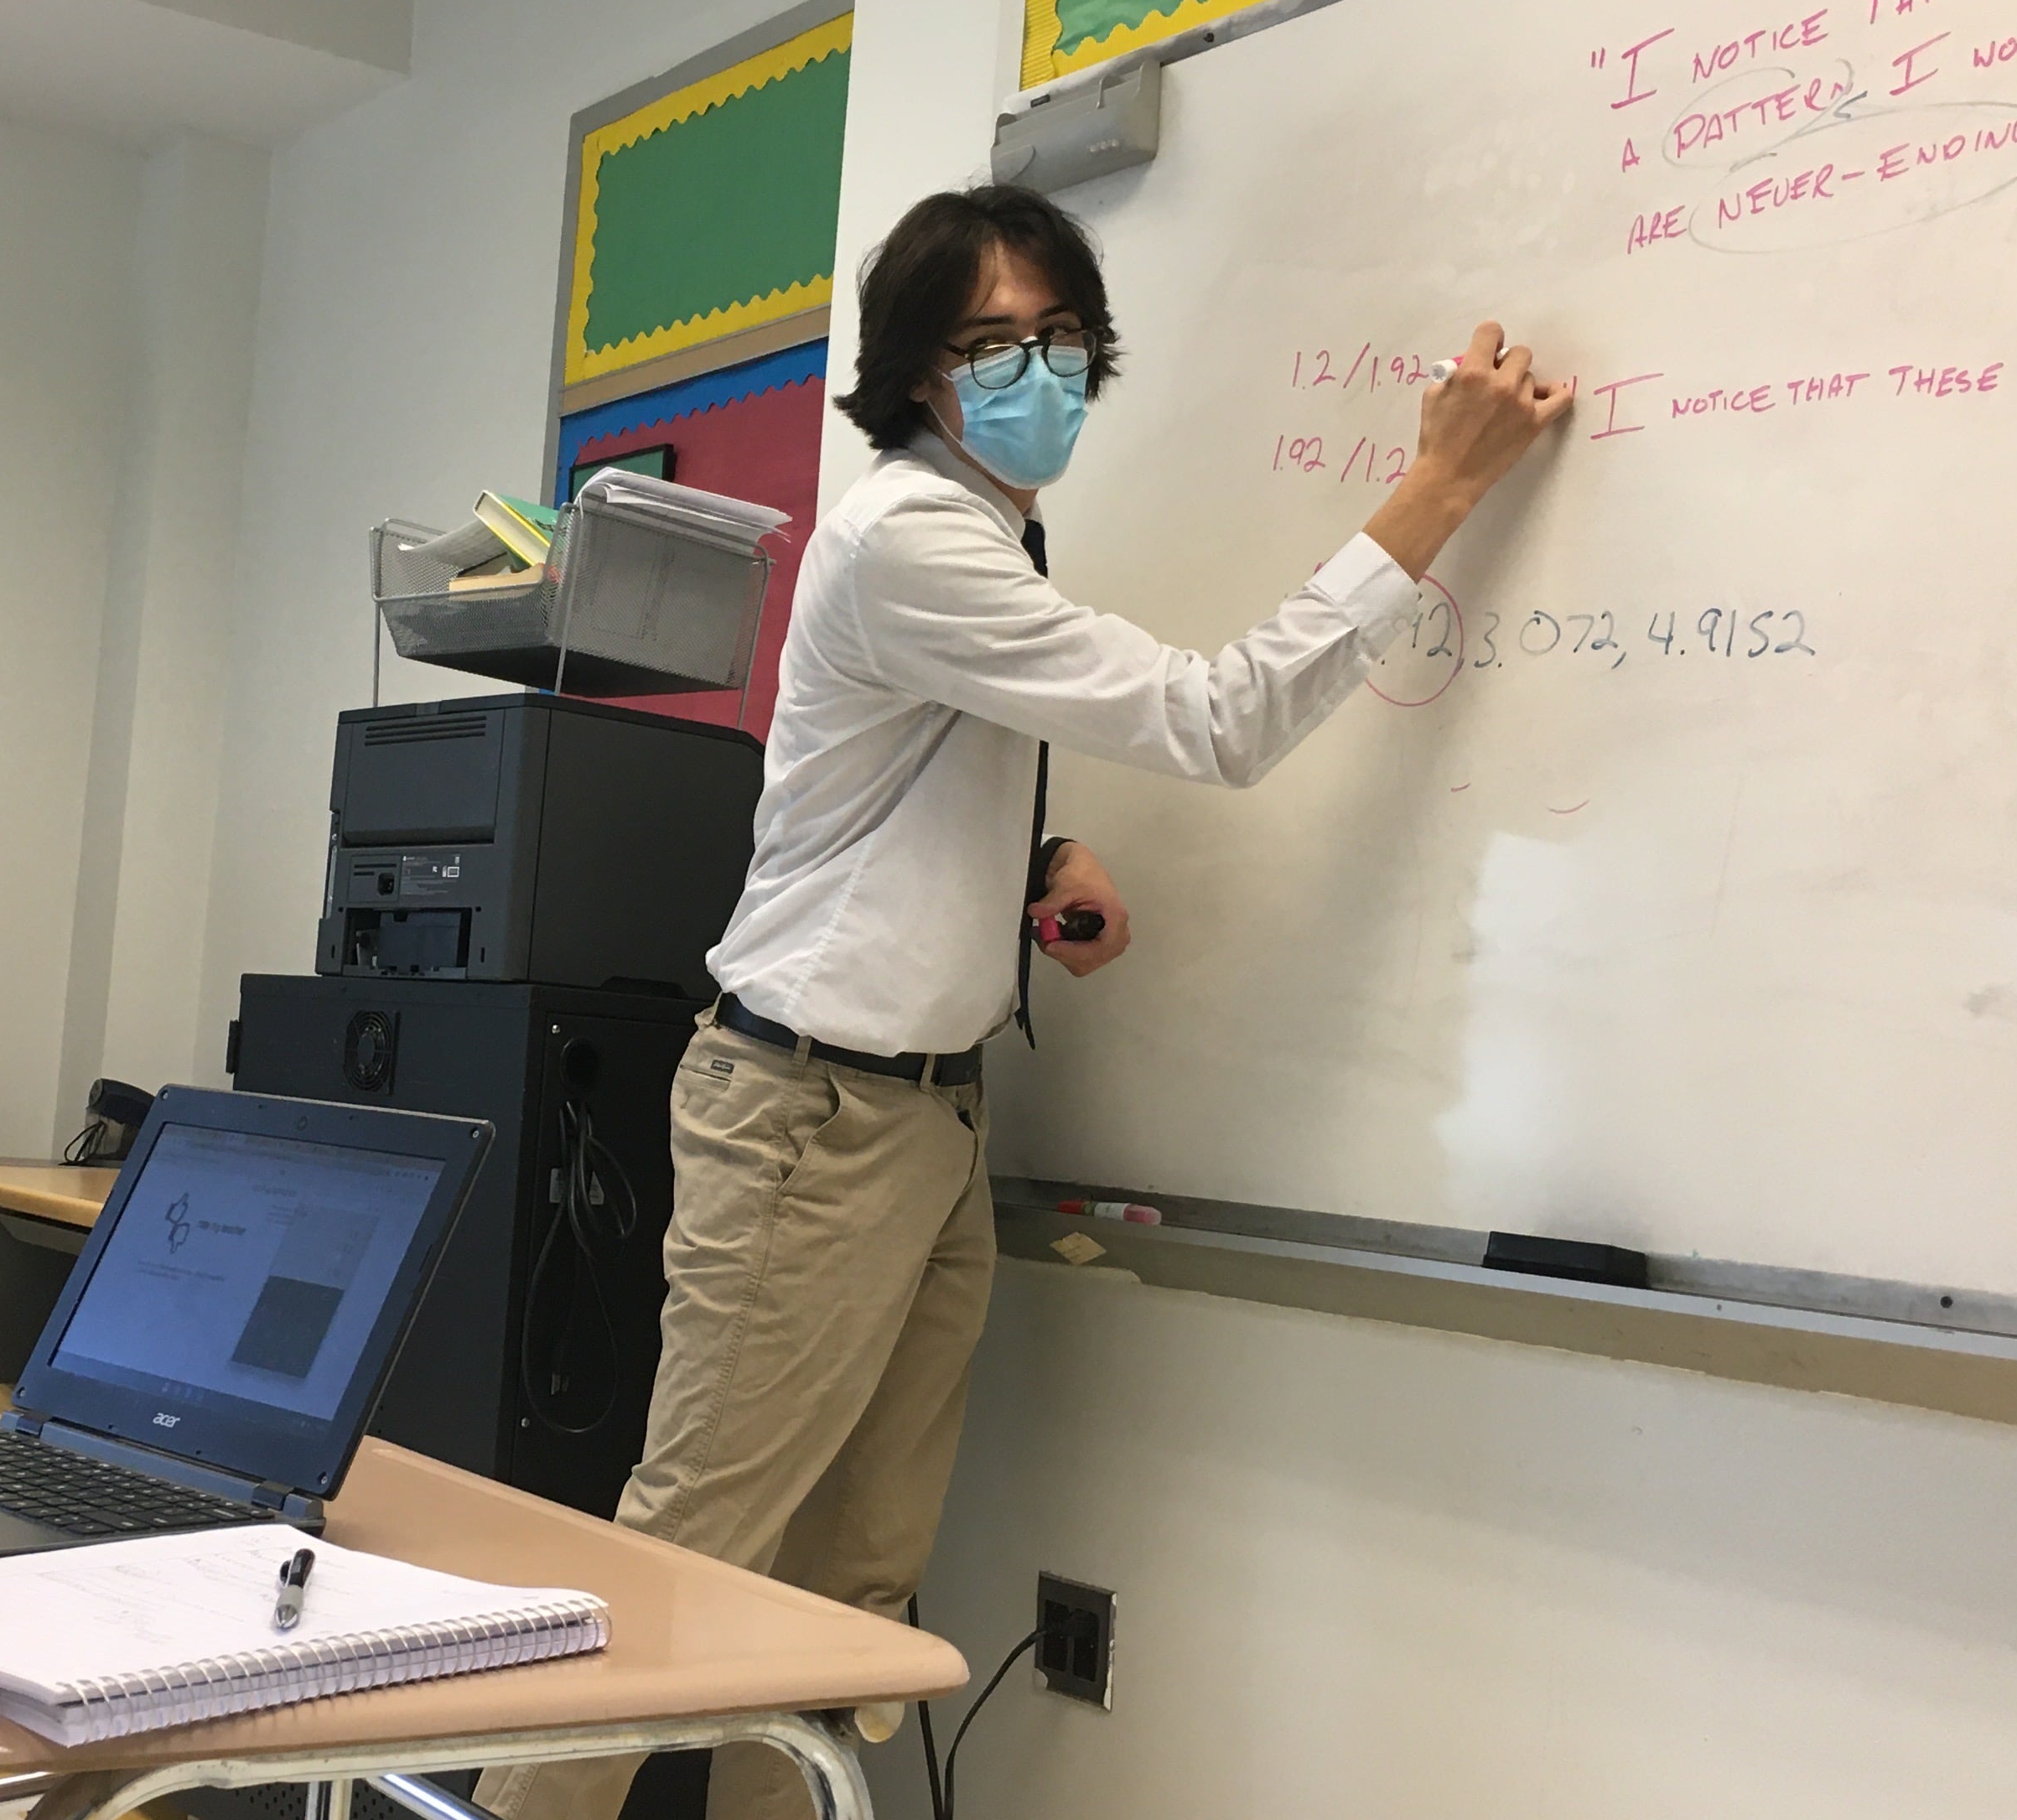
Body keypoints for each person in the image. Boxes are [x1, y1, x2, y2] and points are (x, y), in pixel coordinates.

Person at [482, 184, 1568, 1820]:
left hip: (917, 1117)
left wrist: (1033, 858)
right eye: (994, 344)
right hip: (812, 1121)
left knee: (851, 1601)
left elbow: (883, 775)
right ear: (917, 371)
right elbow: (1216, 722)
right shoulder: (917, 535)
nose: (1038, 373)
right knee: (692, 1572)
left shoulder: (983, 533)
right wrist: (1438, 485)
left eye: (1061, 341)